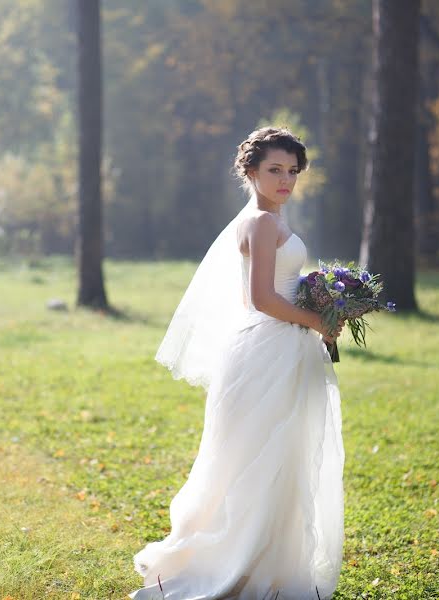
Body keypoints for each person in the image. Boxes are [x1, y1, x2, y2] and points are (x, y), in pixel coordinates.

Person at [129, 126, 345, 600]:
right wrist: (317, 320)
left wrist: (325, 299)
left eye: (292, 171)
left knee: (282, 459)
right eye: (275, 170)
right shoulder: (261, 223)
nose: (286, 179)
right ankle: (235, 564)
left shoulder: (271, 220)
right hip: (268, 349)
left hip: (286, 347)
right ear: (250, 171)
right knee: (255, 459)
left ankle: (270, 564)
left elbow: (281, 284)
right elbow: (262, 298)